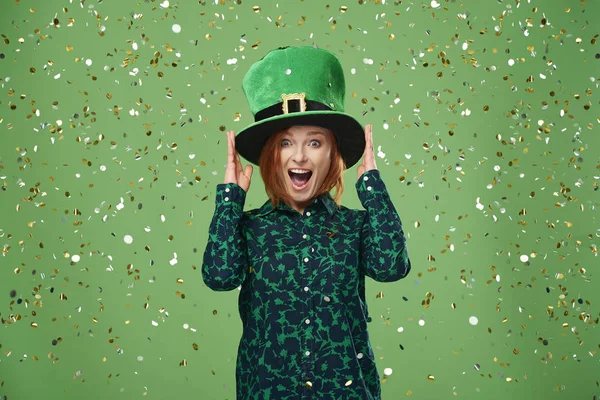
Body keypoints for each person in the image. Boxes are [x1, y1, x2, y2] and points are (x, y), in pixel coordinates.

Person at [202, 46, 411, 399]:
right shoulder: (249, 228)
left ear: (333, 154)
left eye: (314, 142)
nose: (299, 156)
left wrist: (372, 184)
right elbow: (219, 277)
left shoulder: (353, 227)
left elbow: (392, 266)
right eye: (286, 143)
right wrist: (229, 199)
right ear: (272, 155)